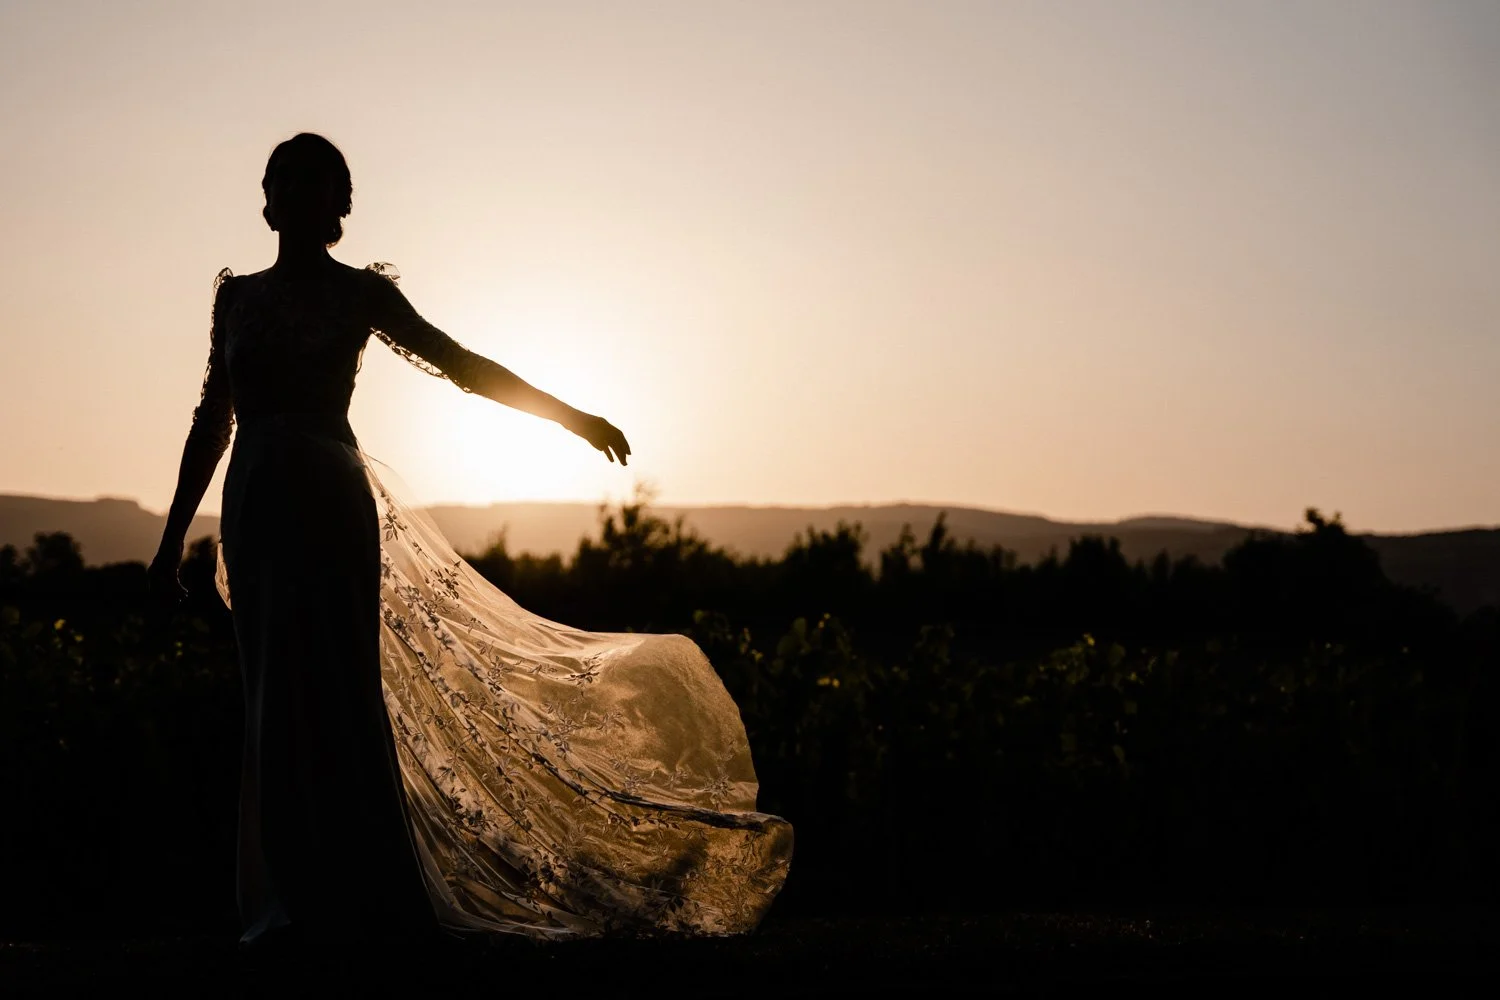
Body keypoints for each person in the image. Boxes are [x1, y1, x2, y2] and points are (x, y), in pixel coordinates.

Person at [149, 133, 791, 952]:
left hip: (331, 504)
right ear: (268, 198)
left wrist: (571, 416)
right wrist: (171, 542)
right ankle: (286, 900)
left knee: (341, 690)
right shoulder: (236, 299)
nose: (302, 197)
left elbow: (459, 364)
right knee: (272, 694)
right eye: (289, 182)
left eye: (319, 184)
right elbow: (213, 419)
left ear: (339, 204)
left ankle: (361, 893)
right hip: (255, 506)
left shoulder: (360, 294)